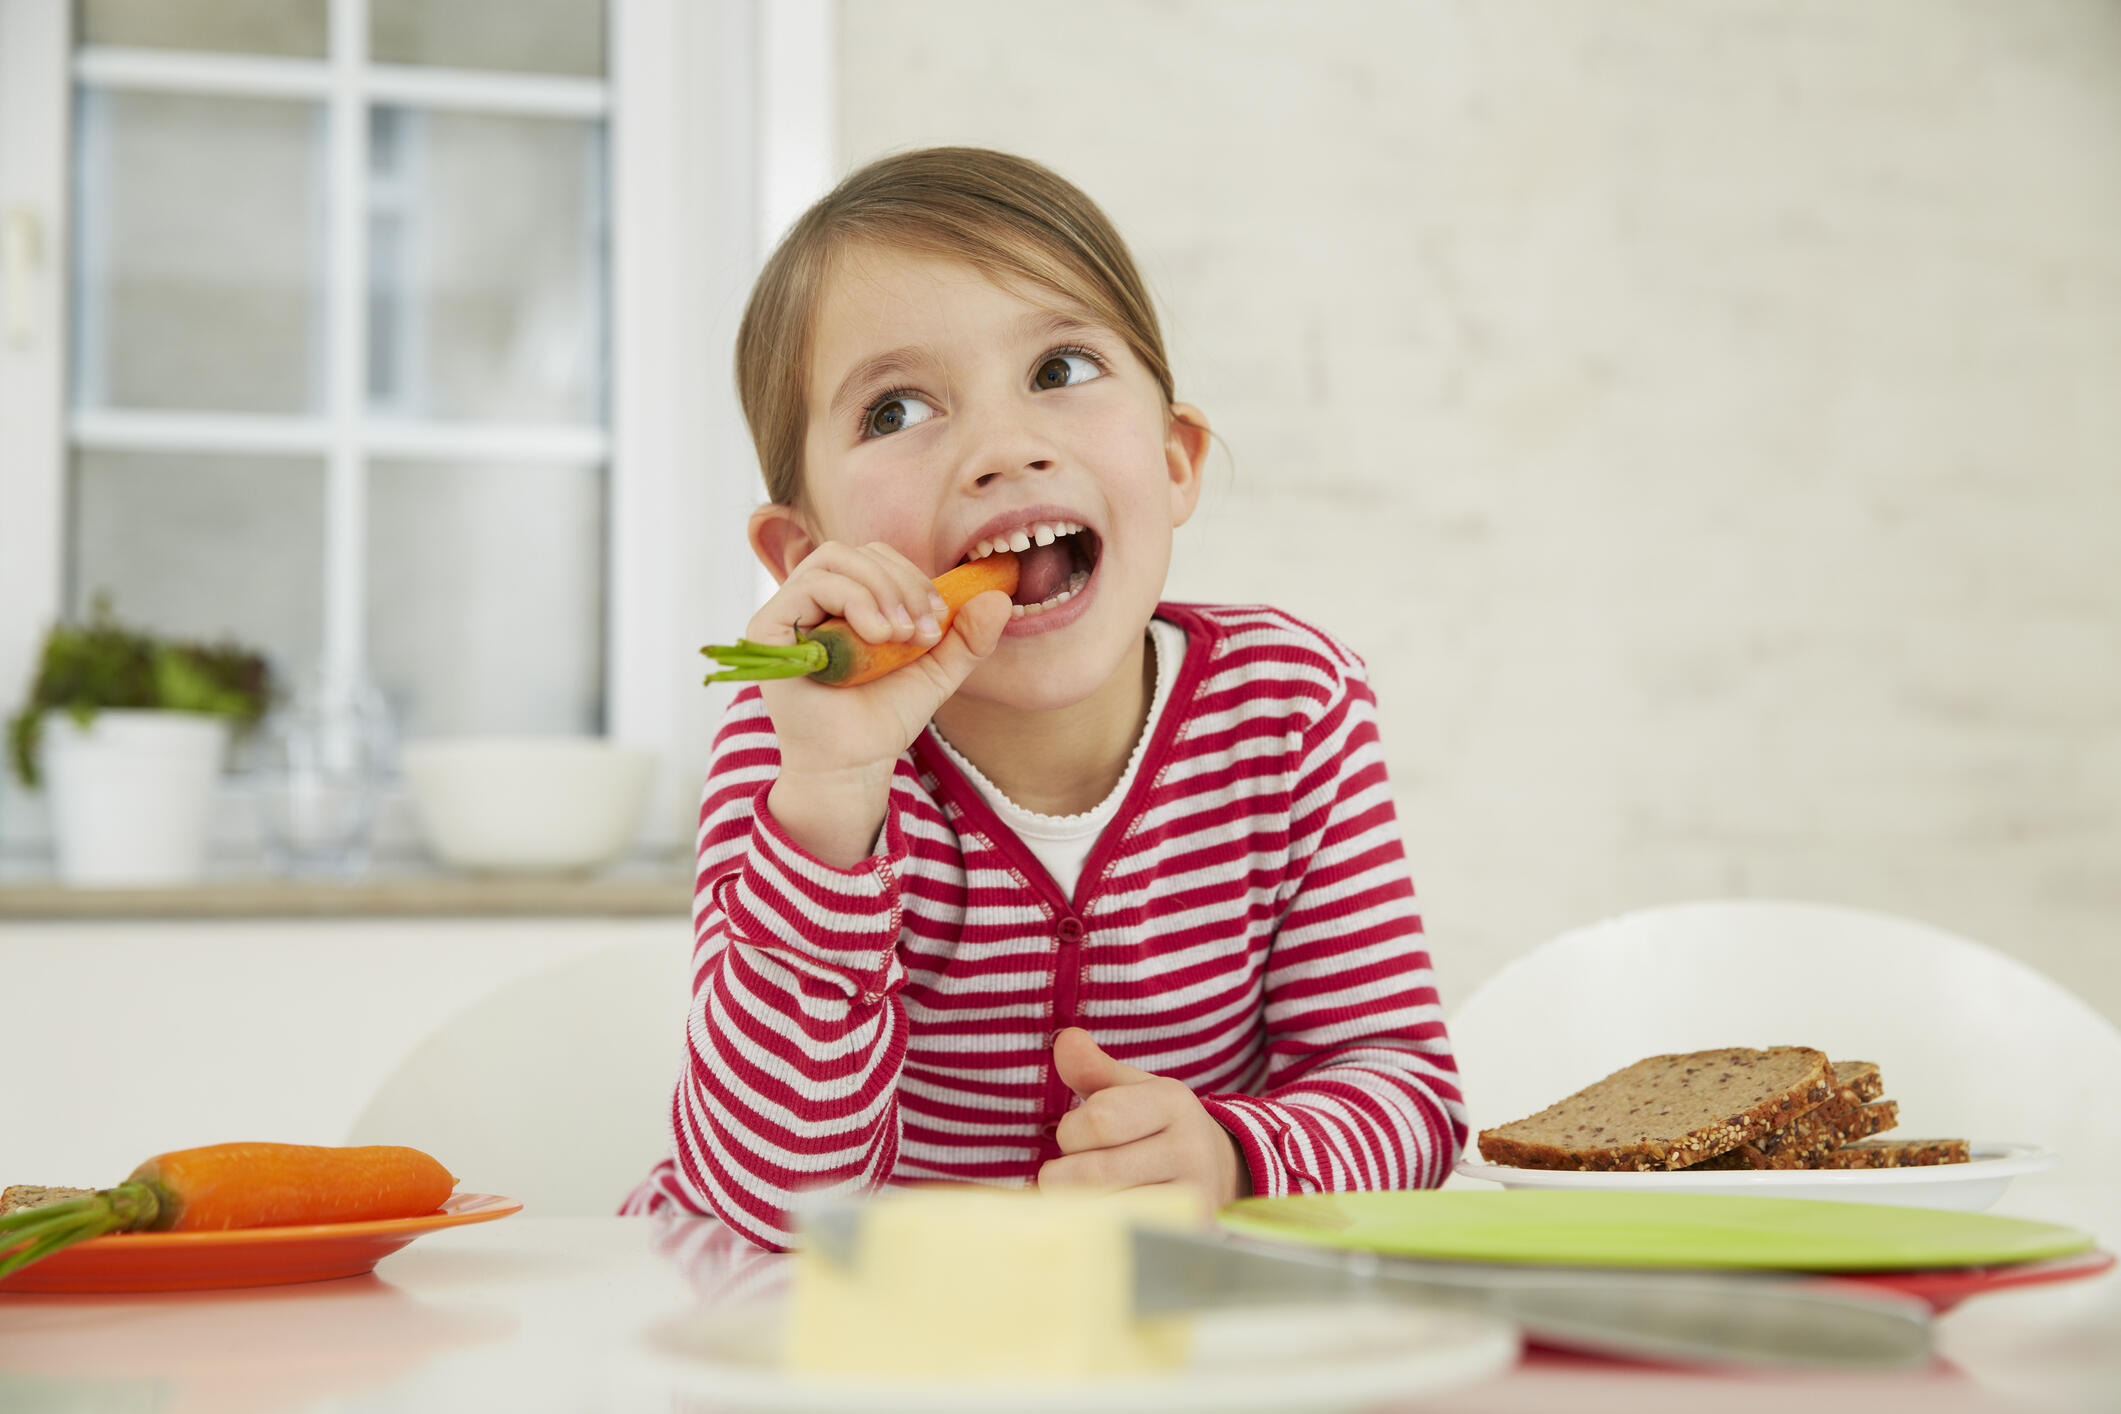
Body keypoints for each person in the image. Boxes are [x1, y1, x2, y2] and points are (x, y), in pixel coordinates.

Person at [623, 147, 1464, 1250]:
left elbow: (1406, 1096)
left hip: (1161, 1342)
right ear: (804, 553)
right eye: (895, 410)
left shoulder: (1289, 707)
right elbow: (769, 1205)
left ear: (1174, 463)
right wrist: (833, 796)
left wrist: (1231, 1155)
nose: (1002, 450)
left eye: (1060, 370)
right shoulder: (795, 749)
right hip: (858, 1350)